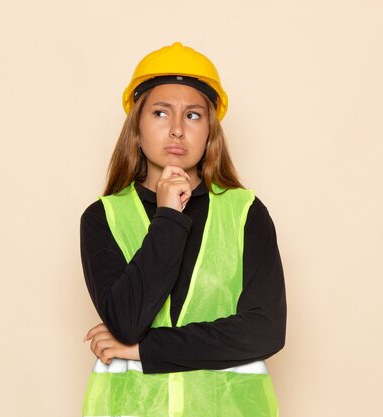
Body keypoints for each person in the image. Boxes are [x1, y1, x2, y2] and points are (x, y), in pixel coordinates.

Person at [80, 42, 286, 417]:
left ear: (209, 132)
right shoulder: (101, 218)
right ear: (137, 128)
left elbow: (264, 330)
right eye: (160, 113)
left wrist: (144, 349)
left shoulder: (245, 213)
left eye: (193, 116)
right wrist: (169, 217)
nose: (176, 130)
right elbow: (126, 321)